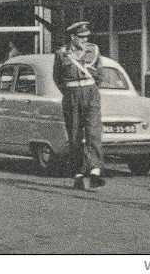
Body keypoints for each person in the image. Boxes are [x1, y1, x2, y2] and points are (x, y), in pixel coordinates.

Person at [53, 21, 105, 191]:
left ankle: (95, 171)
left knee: (93, 132)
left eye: (86, 37)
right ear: (73, 37)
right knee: (75, 135)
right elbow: (57, 78)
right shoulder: (62, 53)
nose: (84, 40)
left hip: (90, 93)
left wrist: (89, 88)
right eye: (81, 37)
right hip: (71, 95)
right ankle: (78, 174)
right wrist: (70, 92)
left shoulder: (94, 50)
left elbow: (100, 75)